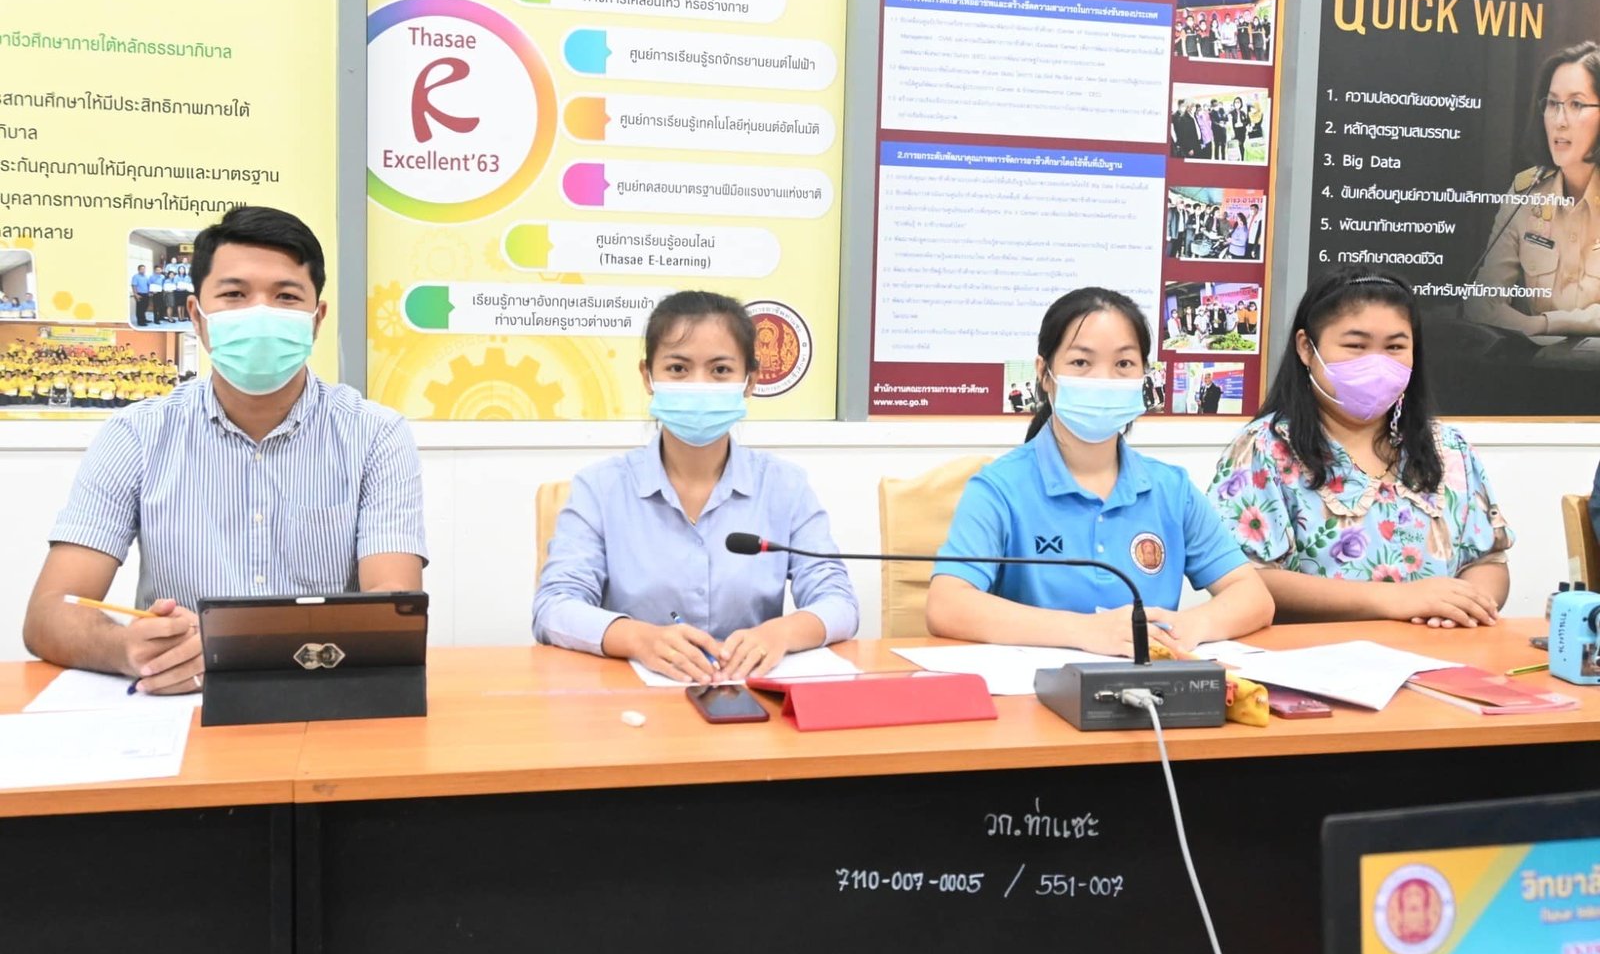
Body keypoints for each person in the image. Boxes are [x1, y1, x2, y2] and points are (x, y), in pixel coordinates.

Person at [20, 206, 427, 693]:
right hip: (180, 703)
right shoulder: (136, 435)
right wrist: (127, 649)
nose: (260, 313)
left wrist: (252, 648)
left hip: (323, 689)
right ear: (197, 316)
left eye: (286, 296)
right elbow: (50, 612)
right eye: (234, 294)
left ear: (316, 319)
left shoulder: (376, 435)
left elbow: (393, 604)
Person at [924, 289, 1272, 656]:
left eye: (1123, 364)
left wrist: (1190, 626)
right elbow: (947, 605)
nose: (1104, 379)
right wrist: (1084, 631)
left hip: (1148, 684)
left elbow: (1253, 596)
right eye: (1080, 362)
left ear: (1144, 375)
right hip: (1034, 686)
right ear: (1044, 373)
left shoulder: (1172, 489)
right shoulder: (999, 488)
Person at [534, 290, 858, 683]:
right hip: (631, 702)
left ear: (750, 381)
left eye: (720, 370)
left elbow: (839, 602)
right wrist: (639, 638)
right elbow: (554, 606)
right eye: (678, 368)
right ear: (648, 377)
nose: (699, 384)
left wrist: (781, 633)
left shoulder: (785, 487)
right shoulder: (599, 488)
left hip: (748, 698)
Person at [1207, 271, 1512, 627]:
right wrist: (1395, 600)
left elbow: (1488, 560)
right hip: (1314, 654)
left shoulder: (1448, 448)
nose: (1378, 363)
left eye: (1395, 347)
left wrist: (1464, 606)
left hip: (1438, 648)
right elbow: (1242, 577)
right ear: (1306, 348)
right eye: (1356, 346)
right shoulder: (1264, 449)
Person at [1466, 41, 1600, 336]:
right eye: (1552, 104)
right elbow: (1482, 300)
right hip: (1537, 362)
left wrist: (1543, 324)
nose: (1560, 121)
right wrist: (1516, 324)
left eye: (1576, 104)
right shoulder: (1527, 192)